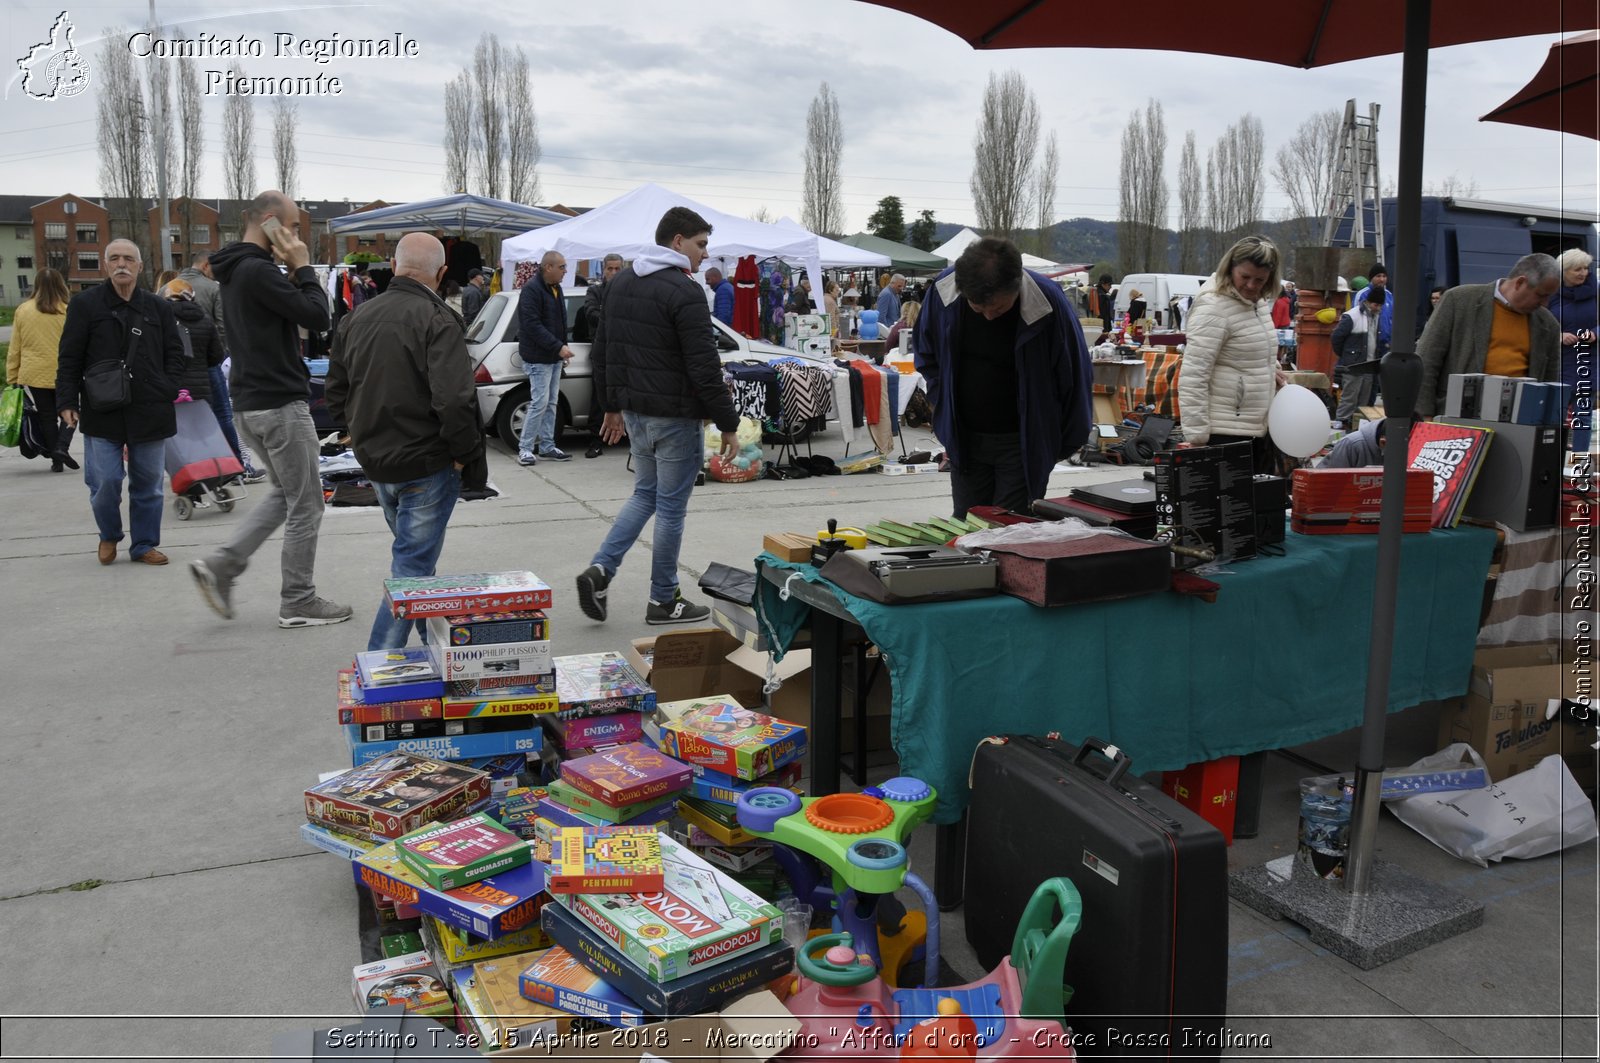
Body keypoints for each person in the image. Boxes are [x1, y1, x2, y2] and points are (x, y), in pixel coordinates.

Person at [190, 189, 351, 628]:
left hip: (250, 403)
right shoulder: (258, 271)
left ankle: (223, 564)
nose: (298, 235)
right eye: (294, 227)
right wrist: (301, 265)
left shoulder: (233, 269)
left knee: (285, 494)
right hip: (279, 405)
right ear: (269, 222)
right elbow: (319, 317)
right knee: (307, 505)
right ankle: (298, 600)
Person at [574, 206, 739, 626]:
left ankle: (602, 568)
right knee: (668, 508)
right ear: (678, 241)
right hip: (674, 415)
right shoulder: (684, 290)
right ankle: (663, 599)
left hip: (636, 413)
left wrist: (612, 405)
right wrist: (728, 422)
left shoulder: (623, 281)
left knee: (645, 495)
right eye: (701, 245)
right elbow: (703, 365)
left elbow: (605, 348)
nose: (705, 255)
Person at [325, 233, 488, 651]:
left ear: (394, 267)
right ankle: (378, 666)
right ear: (442, 273)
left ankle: (437, 647)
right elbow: (454, 399)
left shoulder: (356, 317)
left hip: (378, 461)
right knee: (413, 571)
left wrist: (354, 433)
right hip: (425, 464)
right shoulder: (437, 319)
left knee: (416, 563)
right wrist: (463, 455)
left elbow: (336, 389)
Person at [914, 236, 1093, 518]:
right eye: (977, 307)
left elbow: (1075, 376)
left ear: (1017, 285)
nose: (988, 316)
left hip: (1022, 441)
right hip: (965, 439)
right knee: (968, 525)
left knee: (1010, 529)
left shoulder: (1048, 302)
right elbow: (927, 356)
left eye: (997, 308)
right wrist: (944, 410)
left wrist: (1065, 441)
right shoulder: (945, 292)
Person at [55, 238, 187, 566]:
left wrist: (169, 386)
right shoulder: (85, 304)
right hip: (103, 409)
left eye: (128, 258)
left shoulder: (158, 307)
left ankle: (143, 544)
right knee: (105, 481)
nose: (121, 264)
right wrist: (67, 400)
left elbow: (177, 352)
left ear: (140, 267)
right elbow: (69, 357)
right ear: (105, 265)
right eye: (114, 258)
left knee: (149, 486)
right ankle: (109, 534)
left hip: (150, 408)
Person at [1176, 235, 1287, 472]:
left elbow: (1251, 350)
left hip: (1254, 427)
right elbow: (1194, 375)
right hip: (1224, 432)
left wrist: (1272, 372)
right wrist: (1197, 436)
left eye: (1260, 280)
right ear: (1230, 269)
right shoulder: (1213, 307)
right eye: (1245, 277)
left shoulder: (1256, 303)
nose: (1251, 285)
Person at [1417, 253, 1561, 416]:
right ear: (1520, 282)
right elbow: (1427, 360)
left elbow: (1550, 384)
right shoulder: (1459, 301)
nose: (1545, 303)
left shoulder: (1548, 325)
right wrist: (1424, 415)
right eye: (1541, 295)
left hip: (1519, 424)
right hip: (1457, 418)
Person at [176, 251, 263, 482]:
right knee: (224, 414)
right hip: (208, 362)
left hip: (177, 368)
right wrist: (225, 355)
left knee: (185, 419)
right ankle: (237, 466)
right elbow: (225, 327)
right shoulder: (213, 288)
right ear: (205, 265)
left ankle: (192, 468)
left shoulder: (168, 287)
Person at [6, 267, 77, 472]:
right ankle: (62, 447)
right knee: (71, 410)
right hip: (64, 372)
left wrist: (13, 375)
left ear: (36, 285)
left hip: (34, 372)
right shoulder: (68, 309)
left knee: (46, 415)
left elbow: (15, 346)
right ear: (60, 285)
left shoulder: (23, 310)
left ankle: (56, 460)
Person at [515, 249, 574, 465]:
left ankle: (547, 445)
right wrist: (558, 347)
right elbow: (531, 325)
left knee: (551, 402)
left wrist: (563, 346)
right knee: (539, 402)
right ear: (548, 267)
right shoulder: (532, 290)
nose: (565, 271)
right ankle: (525, 448)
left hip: (553, 356)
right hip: (538, 357)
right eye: (561, 267)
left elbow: (560, 319)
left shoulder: (556, 288)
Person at [1548, 248, 1597, 432]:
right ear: (1563, 271)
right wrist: (1558, 335)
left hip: (1587, 365)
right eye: (1577, 269)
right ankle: (1552, 460)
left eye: (1586, 268)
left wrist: (1595, 333)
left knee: (1582, 424)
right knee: (1553, 422)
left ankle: (1580, 461)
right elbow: (1538, 323)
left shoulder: (1597, 291)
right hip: (1558, 366)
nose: (1583, 273)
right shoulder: (1550, 293)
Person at [582, 253, 625, 459]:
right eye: (610, 269)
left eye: (618, 269)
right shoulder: (595, 291)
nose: (614, 273)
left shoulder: (629, 291)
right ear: (603, 269)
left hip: (625, 353)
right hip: (603, 353)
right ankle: (596, 440)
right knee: (599, 398)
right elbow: (591, 314)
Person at [158, 277, 225, 407]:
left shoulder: (162, 320)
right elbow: (216, 356)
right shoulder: (205, 320)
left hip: (171, 387)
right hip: (201, 389)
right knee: (200, 425)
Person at [1331, 287, 1390, 424]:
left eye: (1380, 305)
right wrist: (1346, 357)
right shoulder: (1352, 316)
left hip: (1368, 365)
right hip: (1354, 365)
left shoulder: (1377, 316)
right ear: (1368, 302)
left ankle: (1357, 423)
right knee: (1350, 396)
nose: (1378, 308)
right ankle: (1342, 420)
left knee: (1364, 400)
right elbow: (1336, 338)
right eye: (1376, 305)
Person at [1352, 264, 1395, 347]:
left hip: (1385, 345)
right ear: (1371, 278)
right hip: (1366, 344)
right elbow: (1354, 318)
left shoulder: (1389, 295)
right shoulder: (1362, 295)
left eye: (1384, 276)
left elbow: (1392, 319)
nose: (1382, 279)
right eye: (1378, 276)